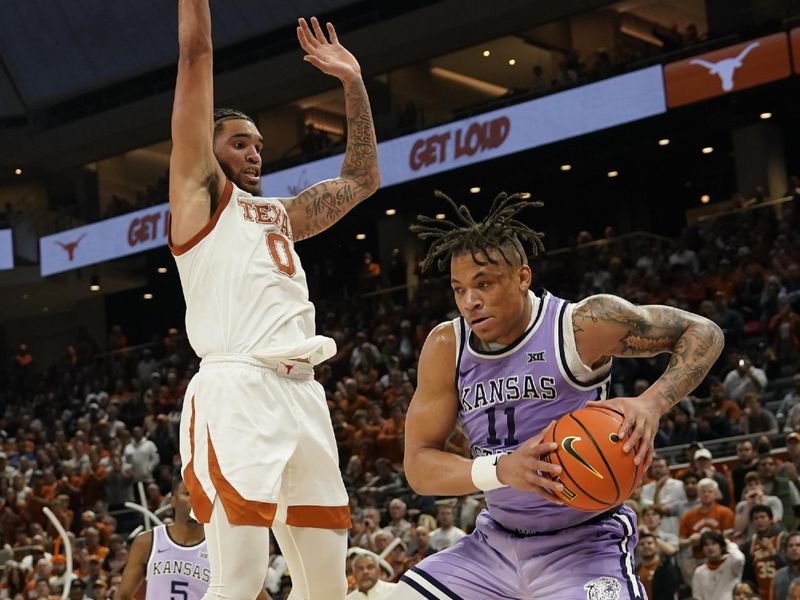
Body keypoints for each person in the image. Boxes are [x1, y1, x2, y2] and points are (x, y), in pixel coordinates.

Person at [385, 191, 724, 599]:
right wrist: (502, 469)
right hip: (492, 545)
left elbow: (704, 331)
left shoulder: (581, 325)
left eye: (484, 284)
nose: (470, 302)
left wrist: (653, 402)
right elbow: (419, 467)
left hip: (584, 543)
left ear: (523, 277)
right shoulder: (446, 345)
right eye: (459, 290)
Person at [169, 2, 380, 598]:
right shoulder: (198, 200)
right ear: (206, 154)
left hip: (302, 393)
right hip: (238, 392)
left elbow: (362, 180)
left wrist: (354, 83)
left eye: (258, 144)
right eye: (239, 143)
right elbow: (195, 55)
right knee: (237, 584)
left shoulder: (281, 217)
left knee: (328, 590)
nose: (255, 152)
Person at [691, 531, 745, 600]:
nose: (710, 548)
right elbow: (697, 597)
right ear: (702, 549)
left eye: (714, 543)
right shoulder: (699, 571)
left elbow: (739, 558)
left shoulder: (731, 563)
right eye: (706, 545)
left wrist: (727, 542)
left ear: (721, 545)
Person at [640, 456, 686, 535]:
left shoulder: (679, 485)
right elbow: (653, 509)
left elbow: (672, 508)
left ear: (668, 468)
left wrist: (661, 508)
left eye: (661, 467)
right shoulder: (645, 489)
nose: (658, 470)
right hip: (653, 530)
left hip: (674, 526)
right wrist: (658, 489)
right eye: (655, 467)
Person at [635, 533, 681, 600]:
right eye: (642, 544)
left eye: (649, 543)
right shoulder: (635, 571)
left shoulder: (667, 569)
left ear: (657, 547)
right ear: (638, 549)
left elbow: (669, 594)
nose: (646, 546)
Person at [772, 531, 800, 600]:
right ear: (785, 550)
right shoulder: (778, 576)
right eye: (790, 546)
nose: (794, 548)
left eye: (798, 545)